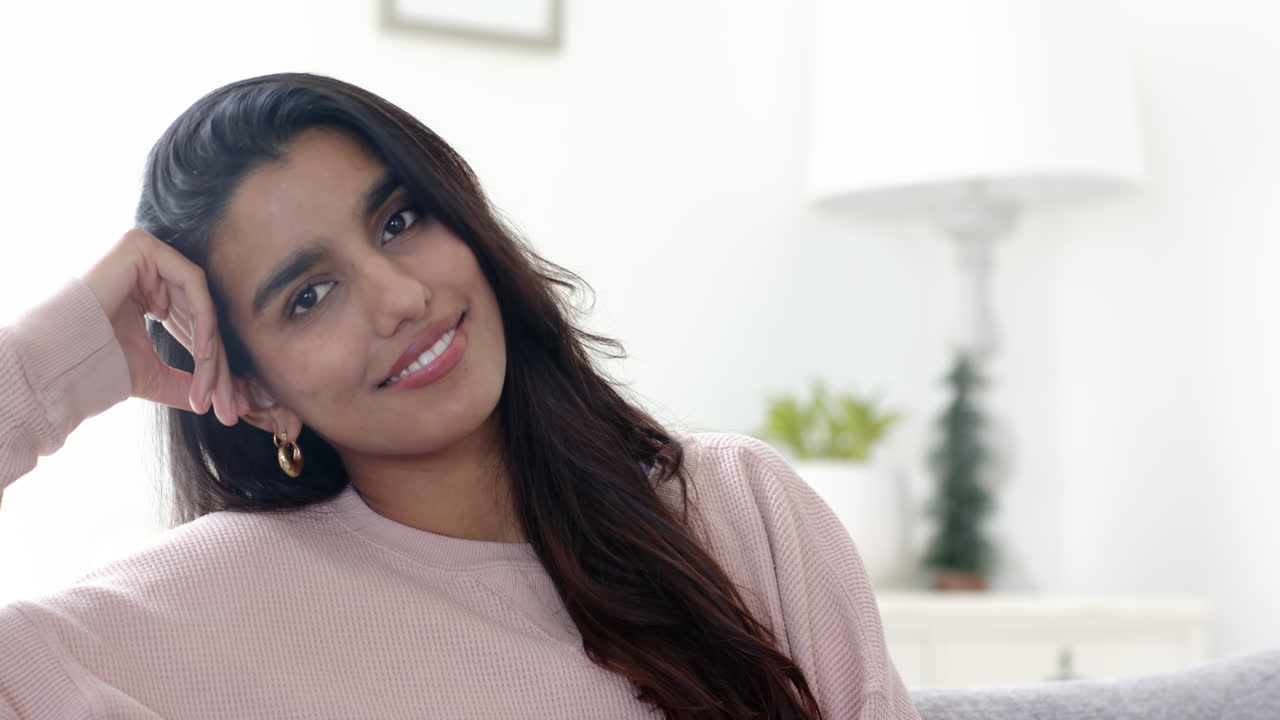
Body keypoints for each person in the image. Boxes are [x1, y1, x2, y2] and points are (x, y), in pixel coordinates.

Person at [0, 73, 919, 720]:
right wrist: (52, 370)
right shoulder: (169, 622)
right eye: (309, 295)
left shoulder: (739, 510)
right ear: (255, 389)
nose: (402, 298)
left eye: (400, 221)